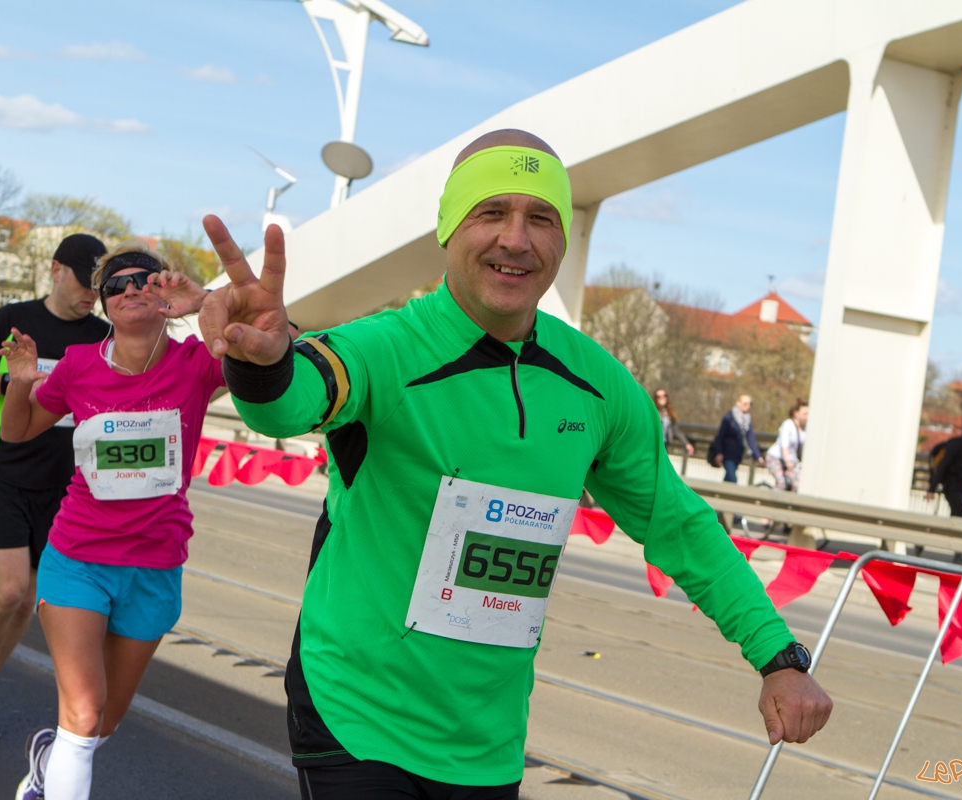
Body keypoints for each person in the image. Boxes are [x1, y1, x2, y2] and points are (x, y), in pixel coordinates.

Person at [200, 129, 832, 799]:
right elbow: (293, 401)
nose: (516, 239)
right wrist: (259, 363)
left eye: (541, 218)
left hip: (488, 743)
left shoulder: (597, 386)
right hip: (355, 714)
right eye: (491, 213)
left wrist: (779, 657)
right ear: (449, 227)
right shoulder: (384, 349)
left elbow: (679, 526)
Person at [0, 242, 222, 800]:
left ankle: (50, 761)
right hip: (78, 558)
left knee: (102, 724)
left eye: (141, 278)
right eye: (114, 284)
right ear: (103, 303)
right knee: (82, 709)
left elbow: (279, 349)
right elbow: (16, 433)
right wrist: (21, 379)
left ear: (163, 289)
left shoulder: (197, 363)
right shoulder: (78, 366)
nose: (128, 289)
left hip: (155, 565)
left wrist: (209, 301)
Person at [0, 234, 111, 749]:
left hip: (65, 486)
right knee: (8, 588)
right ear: (56, 270)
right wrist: (14, 382)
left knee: (28, 598)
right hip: (4, 471)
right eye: (83, 282)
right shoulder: (14, 320)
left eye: (96, 286)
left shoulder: (104, 336)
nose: (89, 294)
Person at [926, 412, 962, 518]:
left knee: (956, 517)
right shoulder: (956, 444)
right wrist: (931, 489)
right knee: (961, 517)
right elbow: (943, 465)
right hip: (952, 487)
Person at [707, 394, 764, 484]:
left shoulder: (747, 420)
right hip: (727, 453)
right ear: (738, 403)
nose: (748, 406)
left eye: (750, 404)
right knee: (732, 479)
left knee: (728, 480)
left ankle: (719, 495)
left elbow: (751, 439)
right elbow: (720, 436)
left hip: (737, 455)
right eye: (745, 403)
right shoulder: (729, 418)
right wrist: (719, 453)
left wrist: (759, 457)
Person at [765, 400, 807, 492]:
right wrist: (787, 461)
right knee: (782, 483)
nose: (806, 417)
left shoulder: (805, 429)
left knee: (797, 483)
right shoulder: (788, 424)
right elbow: (784, 445)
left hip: (792, 461)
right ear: (796, 413)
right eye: (804, 414)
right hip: (776, 458)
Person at [653, 387, 694, 458]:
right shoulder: (653, 411)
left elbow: (676, 431)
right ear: (655, 399)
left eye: (664, 395)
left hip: (665, 445)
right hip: (654, 444)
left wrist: (686, 443)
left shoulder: (669, 413)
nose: (662, 398)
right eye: (659, 396)